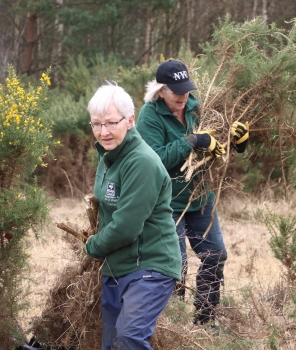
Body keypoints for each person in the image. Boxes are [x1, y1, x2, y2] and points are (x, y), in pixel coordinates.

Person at [136, 60, 249, 326]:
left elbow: (219, 147)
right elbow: (154, 161)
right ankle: (171, 326)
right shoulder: (148, 116)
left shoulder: (199, 109)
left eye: (186, 89)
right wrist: (193, 140)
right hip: (166, 205)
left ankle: (205, 321)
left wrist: (237, 141)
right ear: (161, 90)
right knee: (175, 267)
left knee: (215, 255)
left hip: (201, 199)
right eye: (176, 91)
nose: (183, 96)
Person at [84, 82, 182, 350]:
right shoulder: (108, 157)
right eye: (96, 124)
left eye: (111, 123)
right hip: (117, 266)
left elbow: (126, 227)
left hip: (150, 265)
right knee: (110, 344)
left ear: (130, 121)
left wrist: (92, 247)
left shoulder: (142, 162)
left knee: (128, 339)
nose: (103, 132)